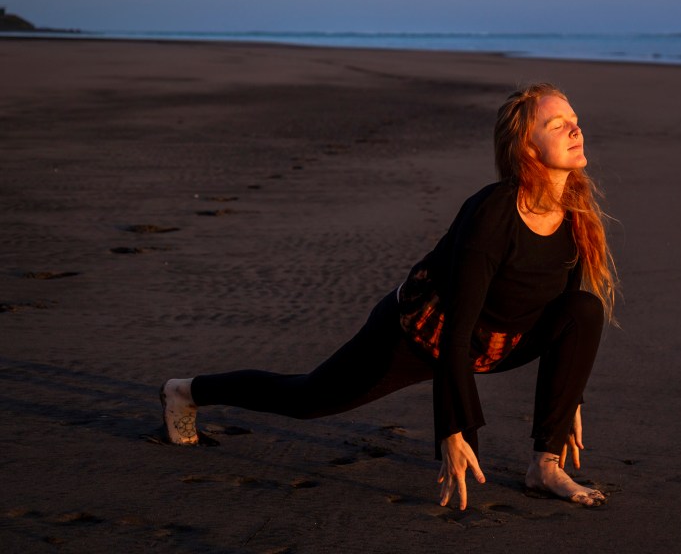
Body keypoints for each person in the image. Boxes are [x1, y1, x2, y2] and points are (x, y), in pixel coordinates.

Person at [160, 83, 616, 509]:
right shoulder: (493, 213)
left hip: (500, 340)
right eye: (556, 125)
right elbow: (454, 332)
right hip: (418, 334)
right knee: (306, 398)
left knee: (585, 309)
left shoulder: (576, 213)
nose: (575, 129)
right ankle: (188, 392)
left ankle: (544, 467)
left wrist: (567, 400)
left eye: (573, 119)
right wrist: (452, 431)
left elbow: (567, 314)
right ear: (527, 147)